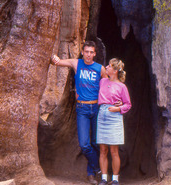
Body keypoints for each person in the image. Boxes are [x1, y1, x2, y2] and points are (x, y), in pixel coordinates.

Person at [50, 41, 107, 185]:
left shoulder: (100, 69)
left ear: (95, 53)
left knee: (95, 143)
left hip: (96, 108)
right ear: (82, 52)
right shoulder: (77, 63)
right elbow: (58, 62)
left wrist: (118, 101)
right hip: (82, 109)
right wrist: (54, 57)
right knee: (84, 144)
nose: (88, 54)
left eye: (91, 52)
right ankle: (99, 168)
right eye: (86, 51)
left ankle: (91, 175)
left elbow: (109, 86)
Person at [97, 58, 131, 185]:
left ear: (115, 70)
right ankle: (104, 178)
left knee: (114, 151)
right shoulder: (102, 81)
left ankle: (115, 179)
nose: (107, 67)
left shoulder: (122, 87)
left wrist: (118, 108)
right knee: (103, 150)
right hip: (102, 115)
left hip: (114, 117)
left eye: (110, 66)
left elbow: (128, 105)